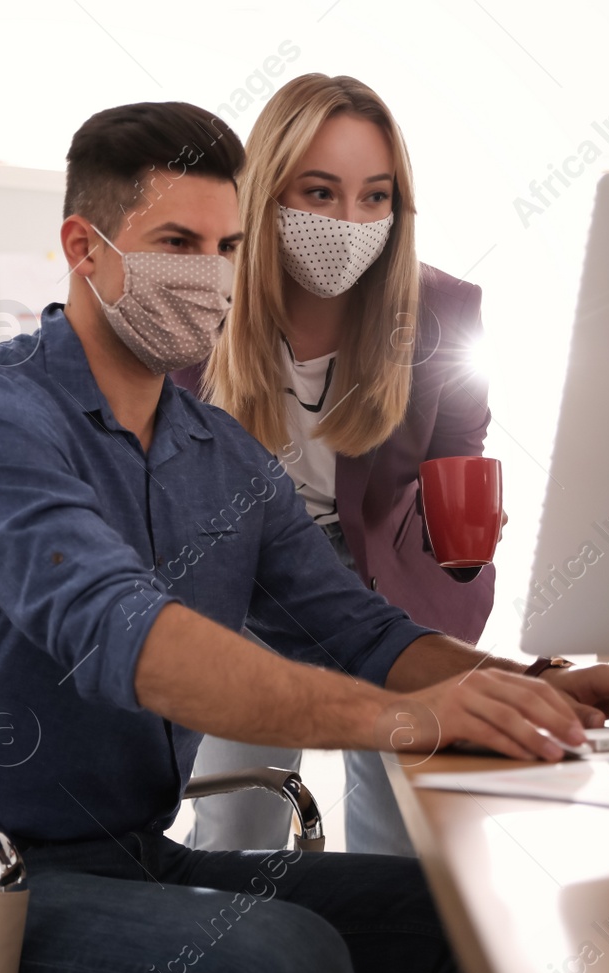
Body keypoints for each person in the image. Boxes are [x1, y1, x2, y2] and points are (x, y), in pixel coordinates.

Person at [0, 99, 609, 973]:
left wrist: (518, 683)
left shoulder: (219, 455)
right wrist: (407, 721)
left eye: (225, 247)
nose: (208, 276)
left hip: (133, 860)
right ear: (83, 248)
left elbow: (363, 630)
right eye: (176, 240)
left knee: (481, 922)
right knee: (281, 959)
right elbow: (125, 636)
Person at [179, 75, 512, 873]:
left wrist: (459, 582)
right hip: (245, 577)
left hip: (380, 587)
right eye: (320, 192)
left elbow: (460, 469)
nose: (349, 222)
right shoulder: (200, 298)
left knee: (404, 834)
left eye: (375, 196)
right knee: (234, 827)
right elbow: (79, 384)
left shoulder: (442, 311)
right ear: (267, 192)